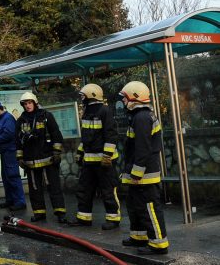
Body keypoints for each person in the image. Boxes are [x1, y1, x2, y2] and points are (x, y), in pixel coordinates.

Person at [118, 81, 169, 255]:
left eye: (125, 98)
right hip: (139, 173)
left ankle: (158, 244)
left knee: (149, 207)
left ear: (134, 97)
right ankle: (139, 236)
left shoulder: (141, 118)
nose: (123, 101)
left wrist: (136, 173)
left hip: (144, 174)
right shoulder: (140, 116)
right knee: (135, 205)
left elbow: (143, 148)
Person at [69, 84, 122, 230]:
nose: (81, 98)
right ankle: (84, 218)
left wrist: (107, 156)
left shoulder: (104, 111)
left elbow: (111, 135)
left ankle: (113, 218)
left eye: (83, 96)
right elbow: (86, 137)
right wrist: (80, 152)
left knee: (108, 190)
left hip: (104, 162)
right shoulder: (87, 111)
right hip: (89, 161)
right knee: (84, 189)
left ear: (91, 95)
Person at [14, 93, 65, 221]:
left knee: (54, 186)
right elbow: (17, 141)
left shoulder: (46, 116)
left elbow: (56, 134)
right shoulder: (21, 120)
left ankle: (60, 213)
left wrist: (57, 152)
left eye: (30, 103)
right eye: (25, 104)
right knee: (35, 188)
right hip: (30, 161)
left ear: (35, 103)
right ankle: (39, 213)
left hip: (48, 158)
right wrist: (19, 158)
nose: (27, 106)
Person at [0, 102, 26, 212]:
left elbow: (9, 134)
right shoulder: (2, 118)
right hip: (5, 152)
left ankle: (20, 202)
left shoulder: (8, 118)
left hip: (10, 151)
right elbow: (3, 133)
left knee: (13, 176)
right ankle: (10, 200)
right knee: (6, 176)